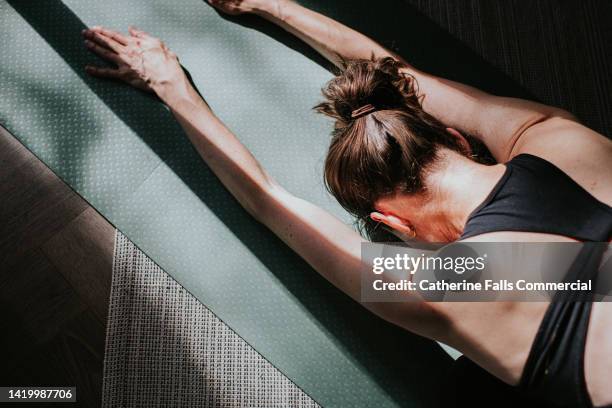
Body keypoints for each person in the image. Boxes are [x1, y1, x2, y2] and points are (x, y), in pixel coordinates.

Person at [80, 0, 612, 405]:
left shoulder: (445, 288)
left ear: (389, 222)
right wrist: (271, 4)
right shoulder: (560, 138)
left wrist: (172, 87)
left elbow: (268, 200)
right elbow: (407, 80)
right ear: (456, 138)